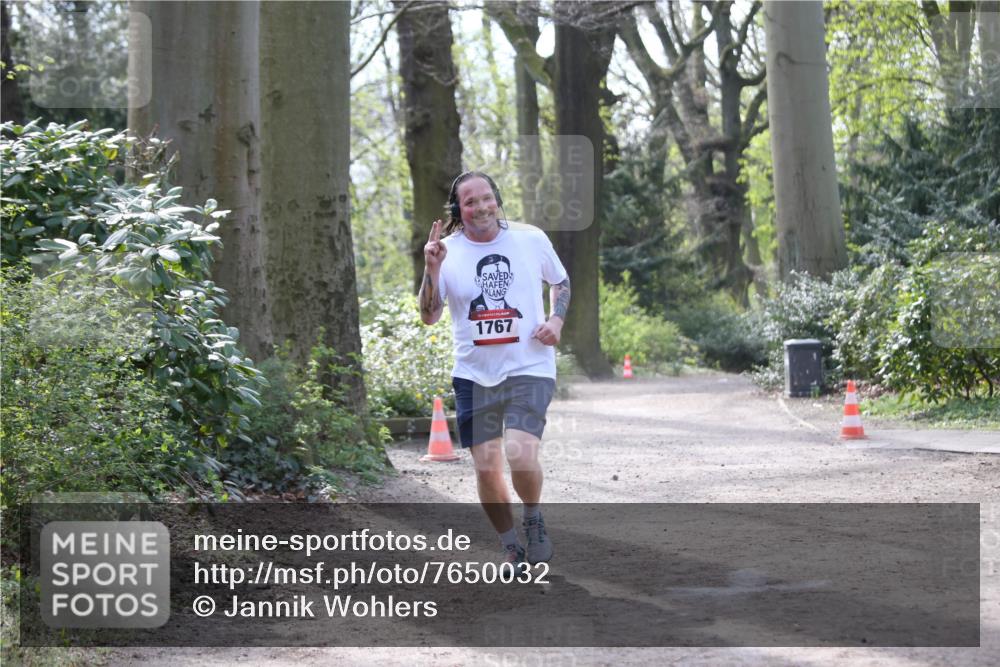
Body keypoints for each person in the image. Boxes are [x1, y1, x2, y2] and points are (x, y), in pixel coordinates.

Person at [418, 171, 571, 569]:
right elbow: (429, 316)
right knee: (486, 468)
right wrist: (431, 269)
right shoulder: (447, 252)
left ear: (497, 199)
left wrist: (555, 321)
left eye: (486, 198)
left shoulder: (530, 239)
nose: (481, 207)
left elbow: (561, 281)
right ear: (458, 209)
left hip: (530, 365)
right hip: (474, 374)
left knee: (520, 453)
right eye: (470, 202)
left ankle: (533, 518)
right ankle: (510, 546)